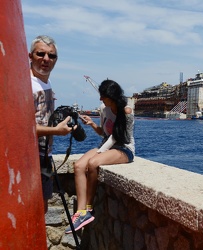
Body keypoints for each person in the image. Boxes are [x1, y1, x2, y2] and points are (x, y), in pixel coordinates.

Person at [65, 79, 135, 234]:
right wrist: (91, 124)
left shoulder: (126, 111)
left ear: (112, 96)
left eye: (103, 96)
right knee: (78, 166)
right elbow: (104, 133)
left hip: (123, 149)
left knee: (93, 163)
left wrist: (99, 152)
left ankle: (88, 208)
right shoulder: (104, 108)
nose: (100, 99)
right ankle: (81, 212)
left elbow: (116, 137)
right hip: (106, 146)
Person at [30, 35, 74, 213]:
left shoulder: (46, 83)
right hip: (30, 157)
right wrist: (56, 130)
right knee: (33, 210)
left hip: (44, 155)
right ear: (30, 55)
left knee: (43, 208)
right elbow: (24, 128)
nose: (46, 59)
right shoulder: (27, 85)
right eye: (40, 54)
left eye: (51, 56)